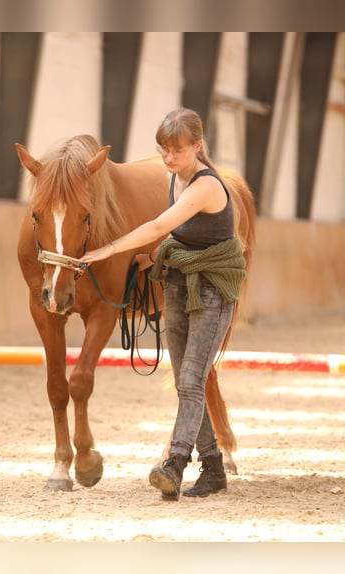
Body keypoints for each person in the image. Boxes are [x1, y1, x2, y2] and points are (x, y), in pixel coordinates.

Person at [80, 108, 246, 500]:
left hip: (210, 289)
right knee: (188, 384)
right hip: (177, 284)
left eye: (177, 150)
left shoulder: (206, 186)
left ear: (198, 147)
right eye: (164, 150)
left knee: (190, 380)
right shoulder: (177, 177)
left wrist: (108, 250)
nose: (168, 158)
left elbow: (159, 227)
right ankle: (214, 467)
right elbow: (180, 238)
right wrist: (152, 259)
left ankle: (175, 461)